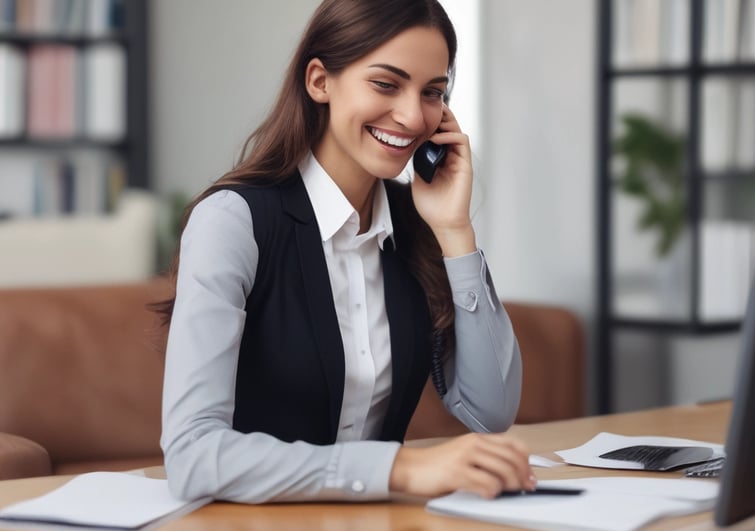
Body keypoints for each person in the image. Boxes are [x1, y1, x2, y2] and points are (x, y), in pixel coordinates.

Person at [156, 0, 533, 504]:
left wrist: (455, 231)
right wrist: (398, 467)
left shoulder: (415, 225)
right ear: (319, 81)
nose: (411, 115)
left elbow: (490, 414)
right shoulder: (233, 221)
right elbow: (192, 456)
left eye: (432, 93)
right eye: (386, 84)